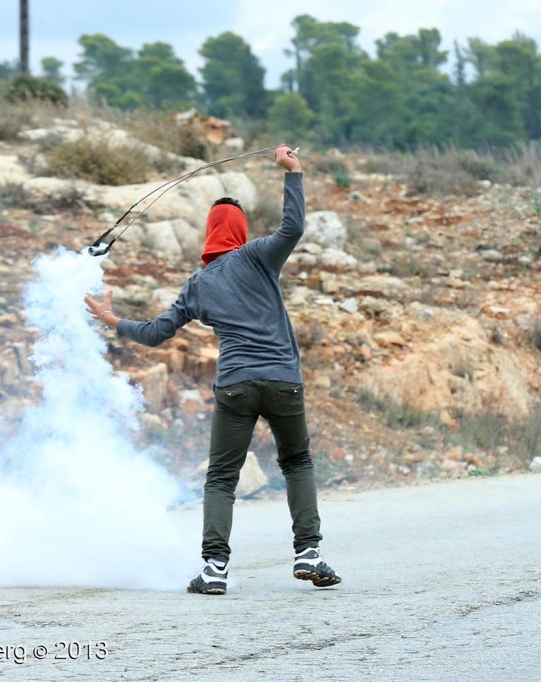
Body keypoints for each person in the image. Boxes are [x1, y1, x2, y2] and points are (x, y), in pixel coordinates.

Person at [84, 143, 341, 595]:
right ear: (240, 233)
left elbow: (155, 333)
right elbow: (294, 226)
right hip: (283, 381)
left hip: (236, 386)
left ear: (208, 237)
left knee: (222, 477)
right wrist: (293, 171)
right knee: (297, 462)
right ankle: (309, 554)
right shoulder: (259, 257)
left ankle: (214, 570)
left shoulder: (198, 285)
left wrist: (111, 319)